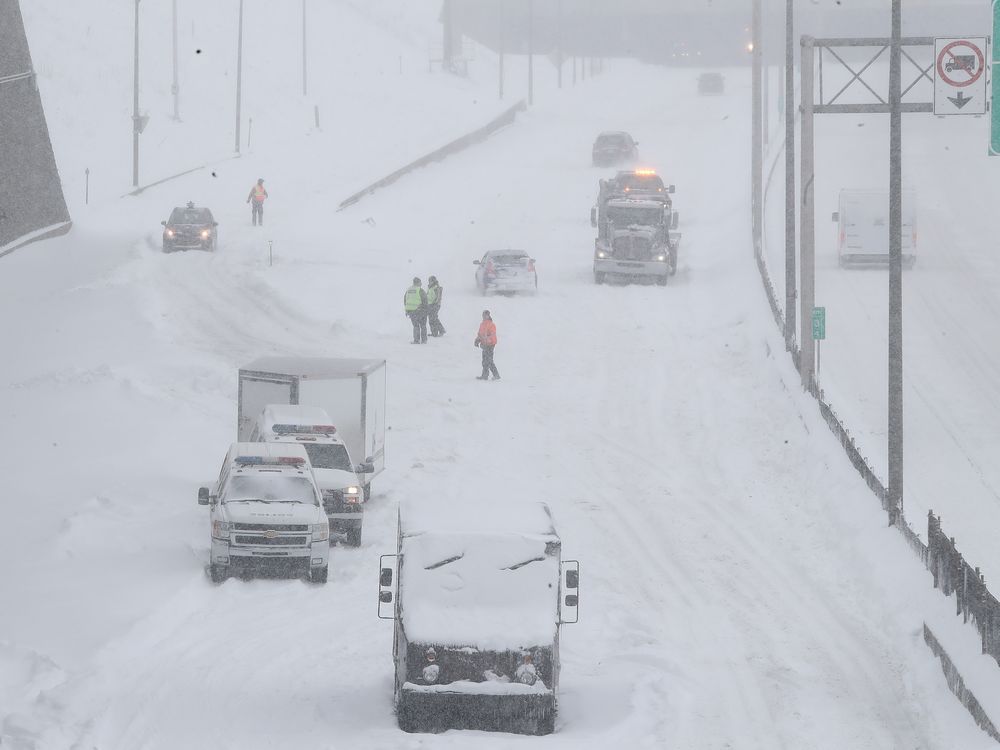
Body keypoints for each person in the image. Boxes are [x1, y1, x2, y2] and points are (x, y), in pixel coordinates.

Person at [474, 310, 500, 380]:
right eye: (483, 315)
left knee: (489, 360)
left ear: (488, 316)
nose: (484, 316)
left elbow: (492, 335)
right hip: (484, 345)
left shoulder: (491, 324)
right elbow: (480, 334)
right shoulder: (482, 324)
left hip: (490, 345)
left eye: (486, 315)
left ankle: (496, 375)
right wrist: (477, 340)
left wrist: (487, 342)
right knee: (484, 360)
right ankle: (484, 375)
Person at [403, 277, 428, 344]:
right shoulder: (420, 290)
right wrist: (426, 310)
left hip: (411, 312)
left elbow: (405, 300)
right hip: (420, 310)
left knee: (416, 326)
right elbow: (425, 300)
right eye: (420, 282)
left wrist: (407, 310)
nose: (421, 284)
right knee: (423, 325)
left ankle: (416, 340)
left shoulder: (408, 290)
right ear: (418, 283)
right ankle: (424, 340)